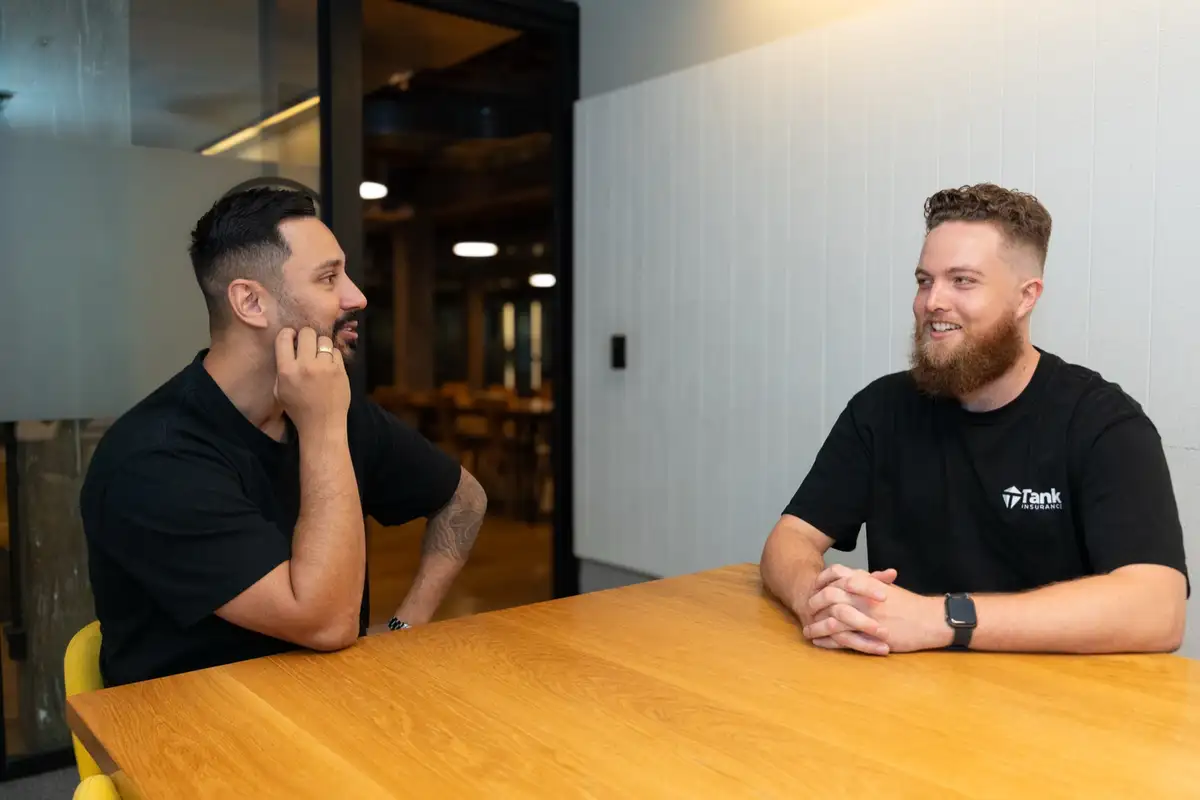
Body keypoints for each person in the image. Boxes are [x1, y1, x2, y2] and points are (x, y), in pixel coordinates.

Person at [81, 186, 487, 686]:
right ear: (251, 301)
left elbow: (464, 499)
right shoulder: (153, 460)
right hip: (190, 739)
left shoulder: (334, 411)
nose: (356, 297)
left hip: (324, 710)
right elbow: (325, 623)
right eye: (329, 278)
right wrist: (323, 432)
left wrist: (407, 624)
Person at [761, 183, 1189, 656]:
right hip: (903, 697)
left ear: (1026, 297)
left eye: (962, 280)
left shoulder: (1103, 424)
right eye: (925, 280)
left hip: (1055, 708)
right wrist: (815, 600)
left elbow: (1158, 609)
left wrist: (944, 619)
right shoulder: (881, 409)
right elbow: (792, 537)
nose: (932, 302)